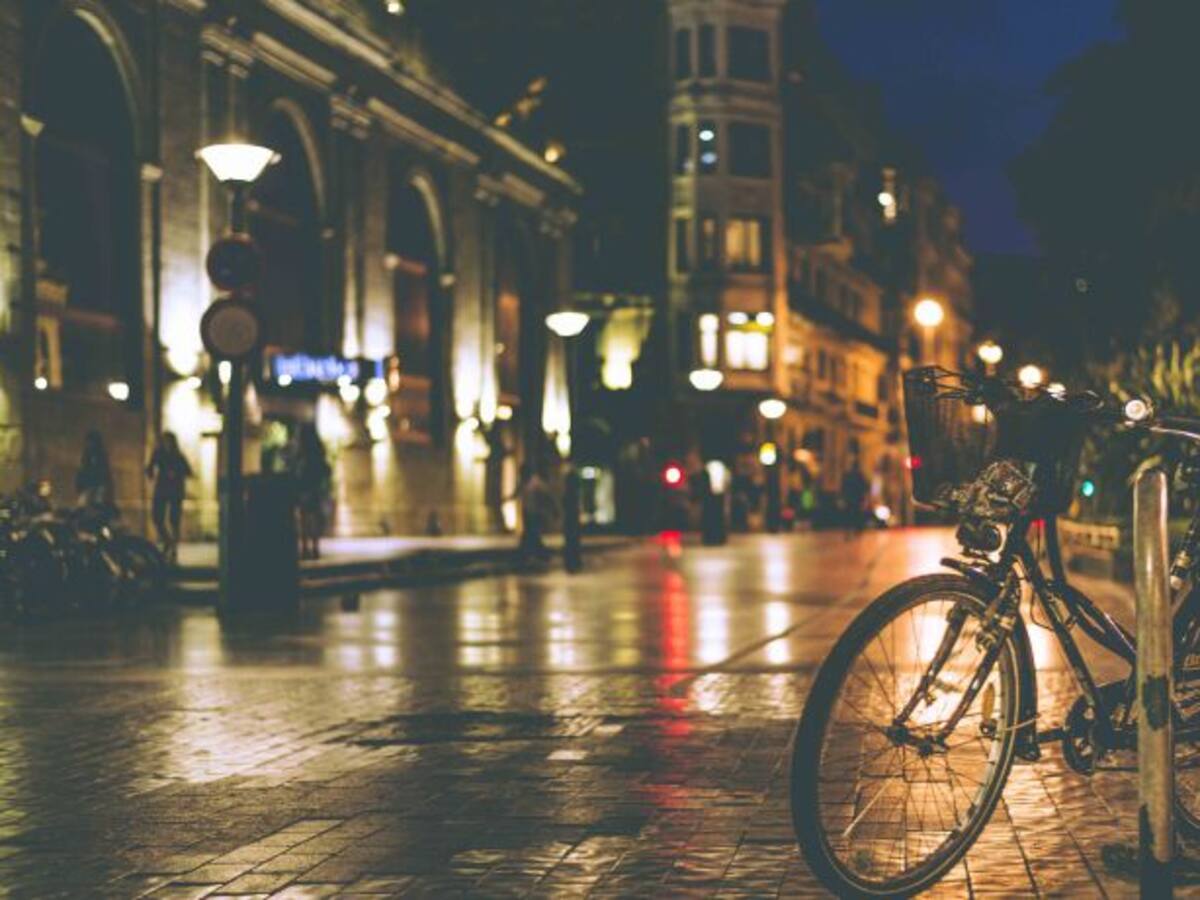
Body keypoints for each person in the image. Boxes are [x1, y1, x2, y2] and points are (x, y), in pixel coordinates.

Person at [146, 431, 192, 562]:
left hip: (175, 491)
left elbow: (188, 471)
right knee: (157, 517)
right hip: (162, 489)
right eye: (165, 441)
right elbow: (150, 468)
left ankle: (174, 548)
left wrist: (176, 473)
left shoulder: (178, 456)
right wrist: (150, 473)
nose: (167, 444)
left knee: (174, 520)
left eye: (169, 441)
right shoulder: (158, 454)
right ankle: (167, 541)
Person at [292, 424, 332, 560]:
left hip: (305, 489)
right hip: (315, 490)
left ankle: (305, 548)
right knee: (313, 519)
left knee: (304, 520)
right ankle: (315, 548)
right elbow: (326, 470)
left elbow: (297, 471)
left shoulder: (301, 454)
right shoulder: (318, 453)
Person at [510, 463, 556, 560]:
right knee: (531, 533)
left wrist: (552, 508)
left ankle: (533, 554)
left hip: (535, 512)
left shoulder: (536, 482)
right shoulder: (523, 482)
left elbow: (547, 495)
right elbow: (516, 493)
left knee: (531, 533)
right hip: (526, 512)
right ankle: (536, 554)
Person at [77, 430, 115, 511]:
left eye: (91, 442)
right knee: (84, 506)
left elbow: (104, 472)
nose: (89, 444)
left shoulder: (101, 455)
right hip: (89, 485)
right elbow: (82, 470)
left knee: (97, 505)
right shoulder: (86, 455)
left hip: (98, 485)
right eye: (88, 442)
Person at [840, 463, 869, 535]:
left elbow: (843, 487)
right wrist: (864, 497)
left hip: (849, 498)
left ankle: (848, 529)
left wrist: (843, 497)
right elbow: (865, 487)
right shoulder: (860, 476)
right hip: (857, 498)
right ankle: (857, 529)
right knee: (857, 513)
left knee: (849, 514)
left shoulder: (847, 475)